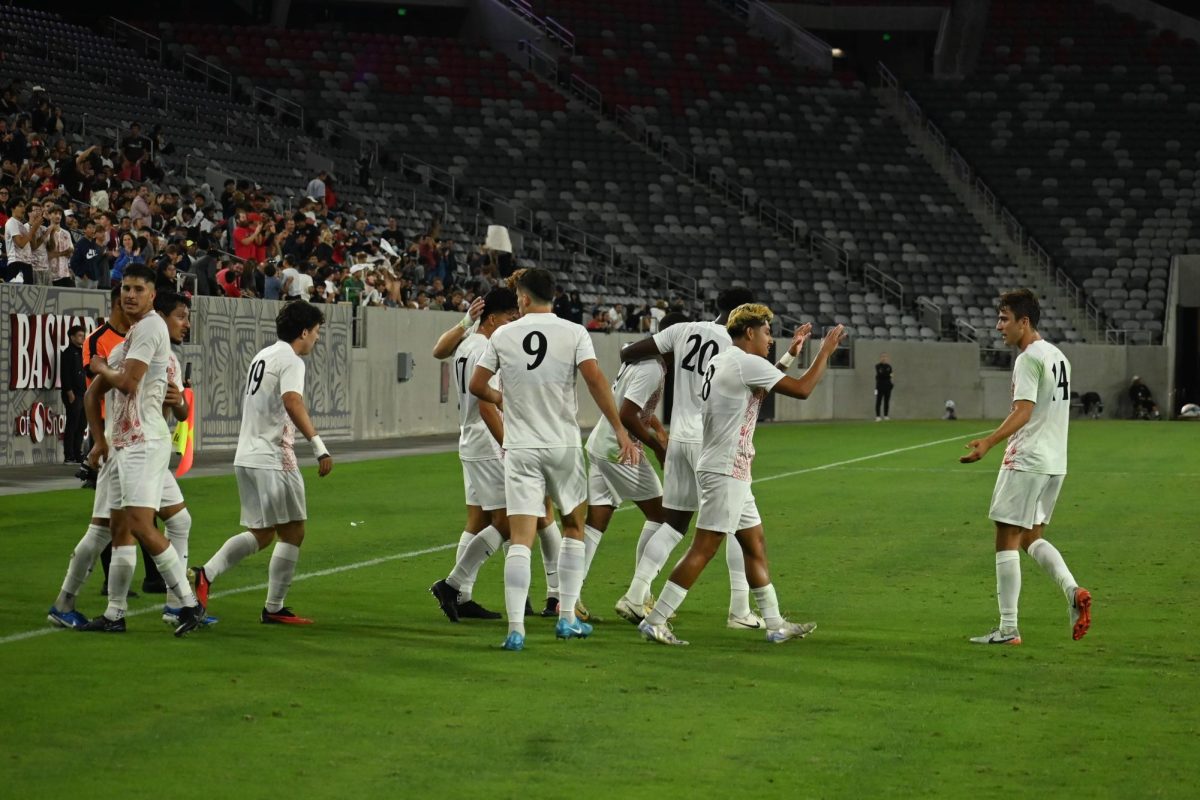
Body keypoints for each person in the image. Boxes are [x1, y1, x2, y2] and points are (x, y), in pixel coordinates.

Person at [639, 306, 844, 646]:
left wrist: (792, 354)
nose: (770, 340)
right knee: (704, 547)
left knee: (754, 543)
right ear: (749, 332)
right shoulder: (743, 362)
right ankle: (656, 619)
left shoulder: (725, 360)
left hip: (728, 466)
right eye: (766, 332)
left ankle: (776, 624)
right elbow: (803, 389)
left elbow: (761, 389)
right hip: (725, 468)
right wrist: (824, 351)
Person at [469, 267, 639, 651]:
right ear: (554, 297)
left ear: (523, 299)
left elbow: (476, 385)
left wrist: (503, 400)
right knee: (574, 527)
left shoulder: (503, 335)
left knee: (521, 539)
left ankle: (515, 630)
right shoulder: (574, 332)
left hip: (521, 447)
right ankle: (566, 620)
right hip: (562, 445)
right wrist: (620, 430)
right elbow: (595, 381)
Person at [620, 287, 804, 630]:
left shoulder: (683, 330)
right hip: (715, 443)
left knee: (674, 525)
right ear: (746, 318)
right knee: (718, 534)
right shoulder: (737, 350)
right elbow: (773, 384)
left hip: (679, 439)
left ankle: (635, 594)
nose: (768, 336)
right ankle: (736, 608)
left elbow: (628, 352)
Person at [76, 267, 207, 635]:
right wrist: (101, 441)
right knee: (120, 526)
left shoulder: (149, 329)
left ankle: (186, 603)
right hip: (127, 445)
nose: (130, 295)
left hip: (143, 444)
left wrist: (100, 364)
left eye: (138, 289)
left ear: (152, 296)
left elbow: (129, 384)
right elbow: (93, 395)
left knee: (137, 524)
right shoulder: (132, 336)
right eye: (126, 289)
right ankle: (115, 613)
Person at [960, 289, 1091, 645]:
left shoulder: (1027, 359)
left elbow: (1023, 410)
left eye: (1004, 319)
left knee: (1006, 537)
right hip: (1055, 463)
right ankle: (1072, 591)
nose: (998, 326)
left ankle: (1008, 628)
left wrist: (988, 442)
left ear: (1024, 321)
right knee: (1032, 537)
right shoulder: (1058, 356)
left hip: (1027, 459)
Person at [192, 301, 334, 625]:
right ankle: (274, 607)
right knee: (294, 531)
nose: (316, 339)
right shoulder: (291, 360)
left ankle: (206, 574)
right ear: (303, 332)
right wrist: (319, 446)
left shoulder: (263, 355)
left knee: (262, 532)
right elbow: (292, 400)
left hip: (246, 456)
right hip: (273, 457)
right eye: (316, 332)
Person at [428, 290, 522, 621]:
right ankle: (452, 585)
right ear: (493, 318)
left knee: (477, 521)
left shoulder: (467, 342)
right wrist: (509, 445)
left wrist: (466, 321)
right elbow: (485, 404)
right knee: (511, 523)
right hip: (486, 442)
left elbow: (439, 350)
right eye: (511, 316)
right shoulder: (487, 348)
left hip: (469, 439)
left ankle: (463, 597)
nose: (515, 322)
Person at [588, 315, 685, 624]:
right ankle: (638, 595)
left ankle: (567, 599)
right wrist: (657, 445)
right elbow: (628, 413)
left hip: (600, 445)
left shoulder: (643, 358)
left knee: (594, 525)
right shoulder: (653, 368)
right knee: (664, 518)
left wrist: (656, 425)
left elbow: (635, 404)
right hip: (621, 450)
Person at [59, 325, 87, 463]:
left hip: (84, 394)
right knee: (72, 424)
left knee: (82, 425)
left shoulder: (83, 352)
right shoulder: (68, 353)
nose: (82, 337)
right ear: (72, 337)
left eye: (83, 335)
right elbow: (65, 375)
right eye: (80, 335)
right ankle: (68, 455)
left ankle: (77, 453)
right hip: (73, 395)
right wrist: (69, 392)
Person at [3, 198, 39, 284]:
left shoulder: (21, 225)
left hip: (27, 264)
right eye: (20, 206)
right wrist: (34, 229)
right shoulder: (11, 222)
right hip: (16, 263)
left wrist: (34, 227)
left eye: (24, 206)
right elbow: (20, 243)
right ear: (12, 208)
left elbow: (33, 246)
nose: (23, 209)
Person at [875, 352, 894, 421]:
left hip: (887, 386)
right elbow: (881, 375)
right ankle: (878, 416)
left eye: (885, 357)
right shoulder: (877, 366)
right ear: (880, 358)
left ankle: (886, 415)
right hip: (879, 386)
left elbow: (891, 375)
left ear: (887, 358)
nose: (884, 358)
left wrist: (887, 375)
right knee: (878, 401)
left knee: (887, 401)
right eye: (882, 357)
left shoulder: (889, 366)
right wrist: (887, 375)